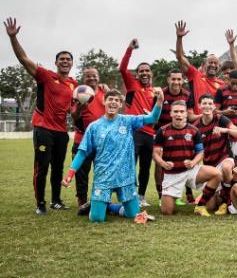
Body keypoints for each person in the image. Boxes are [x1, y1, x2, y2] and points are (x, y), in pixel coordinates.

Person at [5, 17, 78, 214]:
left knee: (57, 168)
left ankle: (56, 200)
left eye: (68, 59)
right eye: (61, 59)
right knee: (42, 166)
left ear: (72, 64)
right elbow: (23, 58)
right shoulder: (46, 76)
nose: (65, 61)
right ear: (56, 63)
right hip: (43, 128)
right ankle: (40, 204)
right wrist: (13, 38)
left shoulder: (74, 84)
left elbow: (77, 105)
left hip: (62, 132)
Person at [61, 88, 163, 222]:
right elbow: (82, 152)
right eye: (110, 99)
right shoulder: (94, 127)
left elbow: (153, 118)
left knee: (133, 215)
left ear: (120, 104)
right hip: (104, 177)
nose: (113, 102)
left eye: (117, 100)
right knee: (97, 219)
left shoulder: (128, 121)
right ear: (104, 102)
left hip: (125, 177)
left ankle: (110, 206)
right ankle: (97, 205)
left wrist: (160, 100)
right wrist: (69, 175)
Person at [152, 100, 222, 217]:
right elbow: (155, 153)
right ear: (171, 114)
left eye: (181, 111)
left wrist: (193, 162)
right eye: (176, 111)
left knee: (217, 174)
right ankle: (171, 198)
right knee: (167, 212)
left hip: (190, 171)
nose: (178, 114)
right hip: (172, 175)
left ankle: (201, 205)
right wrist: (163, 163)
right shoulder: (162, 131)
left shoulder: (194, 131)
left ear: (186, 114)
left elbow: (200, 152)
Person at [118, 38, 158, 207]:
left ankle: (141, 196)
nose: (144, 73)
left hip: (149, 134)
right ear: (137, 74)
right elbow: (122, 68)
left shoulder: (154, 92)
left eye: (147, 70)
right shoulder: (132, 84)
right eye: (141, 71)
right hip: (133, 132)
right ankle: (130, 194)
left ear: (151, 74)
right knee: (130, 165)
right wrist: (130, 49)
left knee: (145, 167)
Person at [194, 94, 237, 215]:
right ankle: (220, 197)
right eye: (204, 103)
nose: (207, 106)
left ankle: (227, 203)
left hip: (224, 158)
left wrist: (225, 130)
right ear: (199, 106)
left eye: (210, 104)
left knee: (226, 167)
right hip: (209, 166)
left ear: (214, 106)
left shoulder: (221, 119)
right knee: (210, 206)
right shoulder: (196, 127)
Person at [70, 68, 106, 215]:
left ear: (98, 78)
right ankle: (83, 202)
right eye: (88, 76)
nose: (92, 78)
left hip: (102, 141)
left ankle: (99, 199)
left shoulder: (105, 92)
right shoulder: (78, 93)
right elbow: (74, 116)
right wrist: (79, 109)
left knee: (102, 172)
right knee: (81, 173)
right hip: (82, 140)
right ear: (83, 79)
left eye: (94, 75)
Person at [156, 68, 194, 204]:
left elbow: (190, 116)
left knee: (186, 162)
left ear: (182, 80)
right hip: (163, 135)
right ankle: (161, 195)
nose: (176, 82)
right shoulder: (161, 94)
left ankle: (189, 195)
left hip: (183, 134)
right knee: (161, 164)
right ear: (168, 80)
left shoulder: (188, 95)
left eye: (179, 79)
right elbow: (155, 113)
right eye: (173, 79)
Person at [174, 21, 226, 114]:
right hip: (196, 123)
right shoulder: (196, 75)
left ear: (219, 67)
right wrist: (179, 38)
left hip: (214, 124)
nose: (213, 65)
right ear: (204, 64)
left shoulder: (222, 84)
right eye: (210, 62)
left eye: (215, 63)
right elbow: (180, 57)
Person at [214, 69, 237, 158]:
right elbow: (214, 111)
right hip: (225, 133)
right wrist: (225, 112)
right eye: (232, 83)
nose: (234, 86)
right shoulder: (221, 90)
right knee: (227, 160)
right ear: (228, 80)